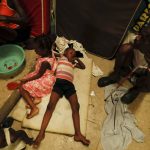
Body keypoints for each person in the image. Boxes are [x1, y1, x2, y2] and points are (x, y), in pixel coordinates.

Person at [33, 46, 90, 148]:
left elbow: (83, 67)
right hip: (58, 83)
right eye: (71, 53)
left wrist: (76, 58)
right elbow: (51, 53)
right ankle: (41, 133)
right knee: (50, 106)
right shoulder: (60, 59)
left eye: (74, 53)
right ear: (64, 54)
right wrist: (60, 53)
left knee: (76, 107)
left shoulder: (73, 64)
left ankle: (78, 134)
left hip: (69, 85)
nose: (73, 54)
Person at [98, 26, 150, 104]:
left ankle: (136, 90)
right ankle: (115, 76)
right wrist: (139, 40)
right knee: (124, 49)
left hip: (144, 71)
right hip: (134, 62)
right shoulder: (141, 38)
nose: (138, 38)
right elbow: (141, 34)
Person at [19, 35, 57, 119]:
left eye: (36, 49)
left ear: (44, 49)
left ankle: (34, 108)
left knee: (22, 88)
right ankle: (37, 98)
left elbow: (38, 75)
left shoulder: (45, 62)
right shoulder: (49, 52)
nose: (35, 50)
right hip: (45, 75)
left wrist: (26, 79)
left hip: (45, 79)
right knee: (25, 81)